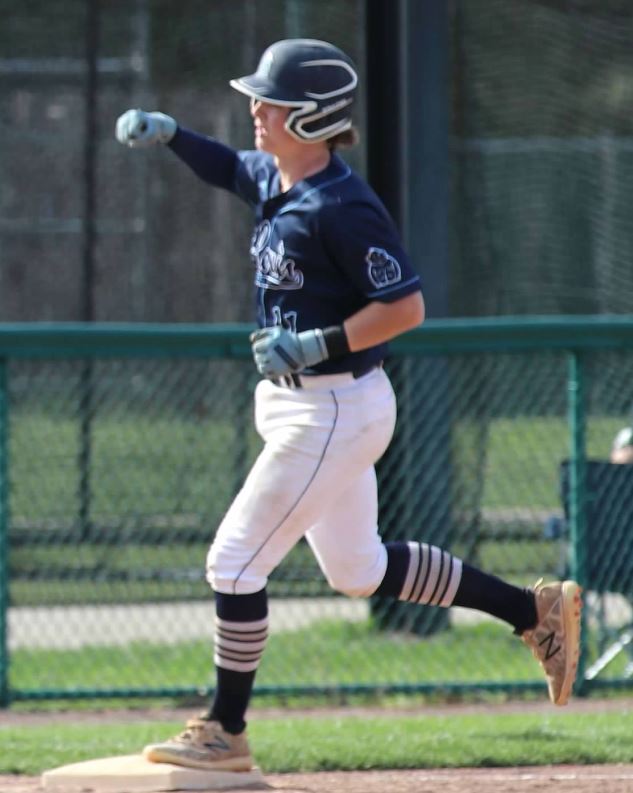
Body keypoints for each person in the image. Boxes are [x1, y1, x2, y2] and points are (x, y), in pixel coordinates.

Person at [115, 38, 582, 774]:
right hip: (306, 407)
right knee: (357, 569)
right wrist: (173, 134)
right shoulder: (276, 177)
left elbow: (405, 306)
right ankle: (533, 611)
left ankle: (225, 730)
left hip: (331, 408)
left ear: (309, 119)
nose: (255, 111)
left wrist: (313, 344)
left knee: (234, 563)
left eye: (269, 102)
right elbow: (228, 167)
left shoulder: (341, 205)